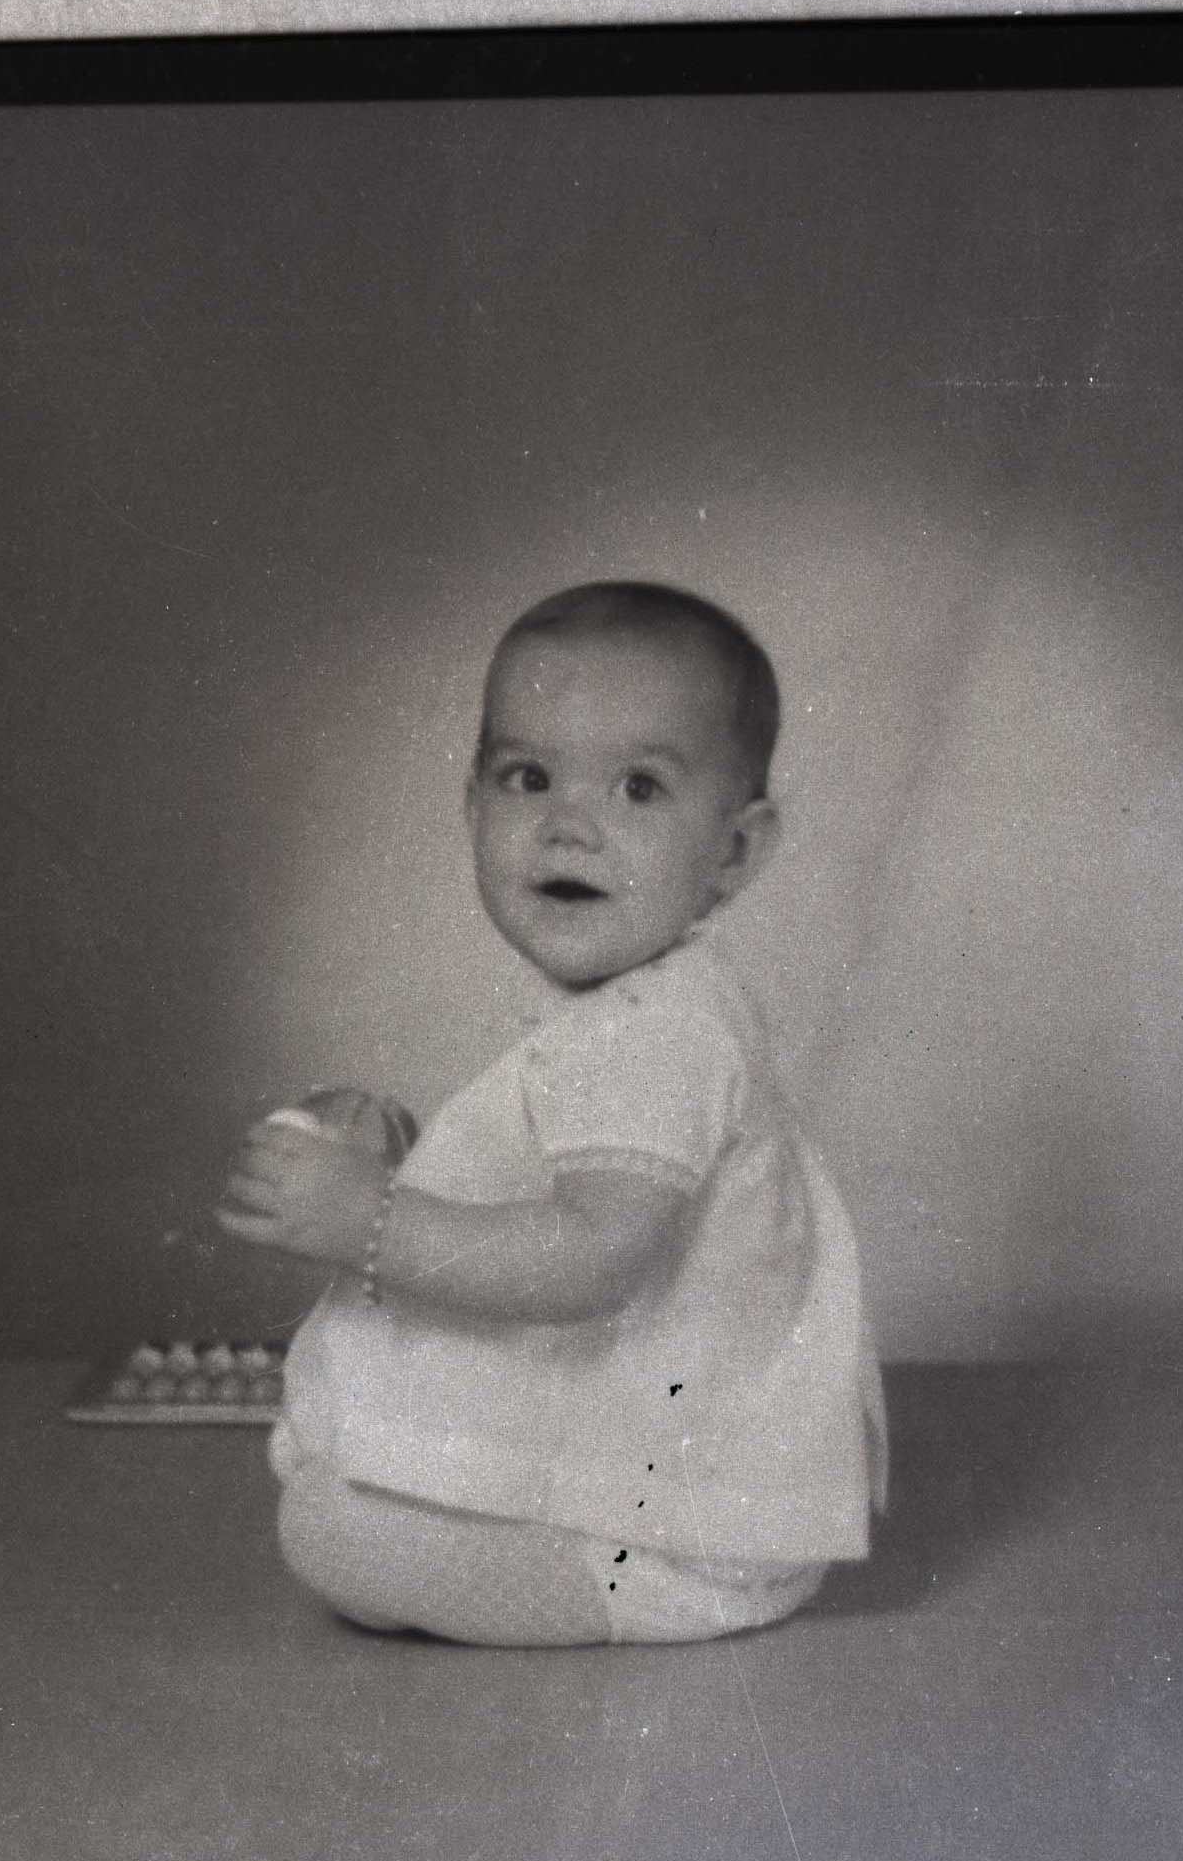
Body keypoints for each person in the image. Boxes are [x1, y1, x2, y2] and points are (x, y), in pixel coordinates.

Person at [217, 581, 883, 1646]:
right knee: (340, 1497)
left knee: (331, 1528)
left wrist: (370, 1220)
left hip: (683, 1524)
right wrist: (408, 1160)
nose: (569, 826)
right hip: (675, 1476)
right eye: (528, 778)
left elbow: (595, 1258)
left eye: (639, 789)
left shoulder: (660, 1033)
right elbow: (556, 1181)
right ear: (472, 808)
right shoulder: (641, 1010)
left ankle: (622, 1583)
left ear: (735, 852)